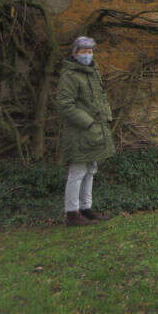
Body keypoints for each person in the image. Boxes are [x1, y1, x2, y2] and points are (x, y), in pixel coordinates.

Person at [55, 35, 116, 227]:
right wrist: (88, 122)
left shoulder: (93, 72)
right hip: (80, 132)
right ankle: (72, 213)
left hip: (96, 130)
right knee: (77, 171)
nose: (87, 55)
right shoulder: (70, 76)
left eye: (90, 51)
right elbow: (65, 104)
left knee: (91, 169)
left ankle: (86, 208)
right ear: (75, 53)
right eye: (83, 51)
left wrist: (106, 116)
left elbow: (101, 98)